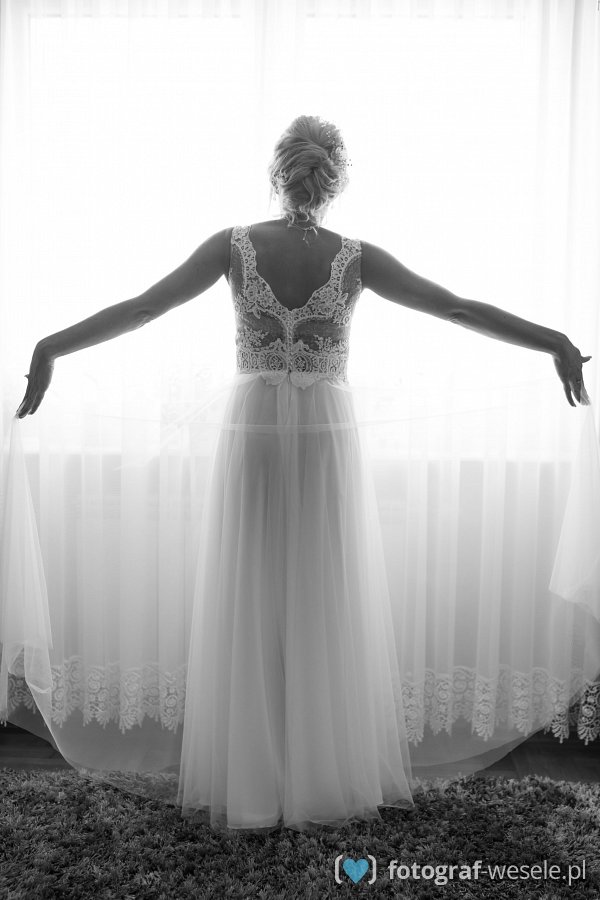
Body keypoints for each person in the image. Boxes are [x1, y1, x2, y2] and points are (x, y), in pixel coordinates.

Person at [11, 115, 593, 831]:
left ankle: (254, 780)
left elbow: (142, 308)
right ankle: (319, 777)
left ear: (278, 171)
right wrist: (551, 340)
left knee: (251, 592)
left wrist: (51, 347)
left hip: (254, 431)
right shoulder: (356, 258)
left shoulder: (233, 246)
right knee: (322, 594)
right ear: (334, 179)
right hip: (324, 437)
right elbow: (456, 307)